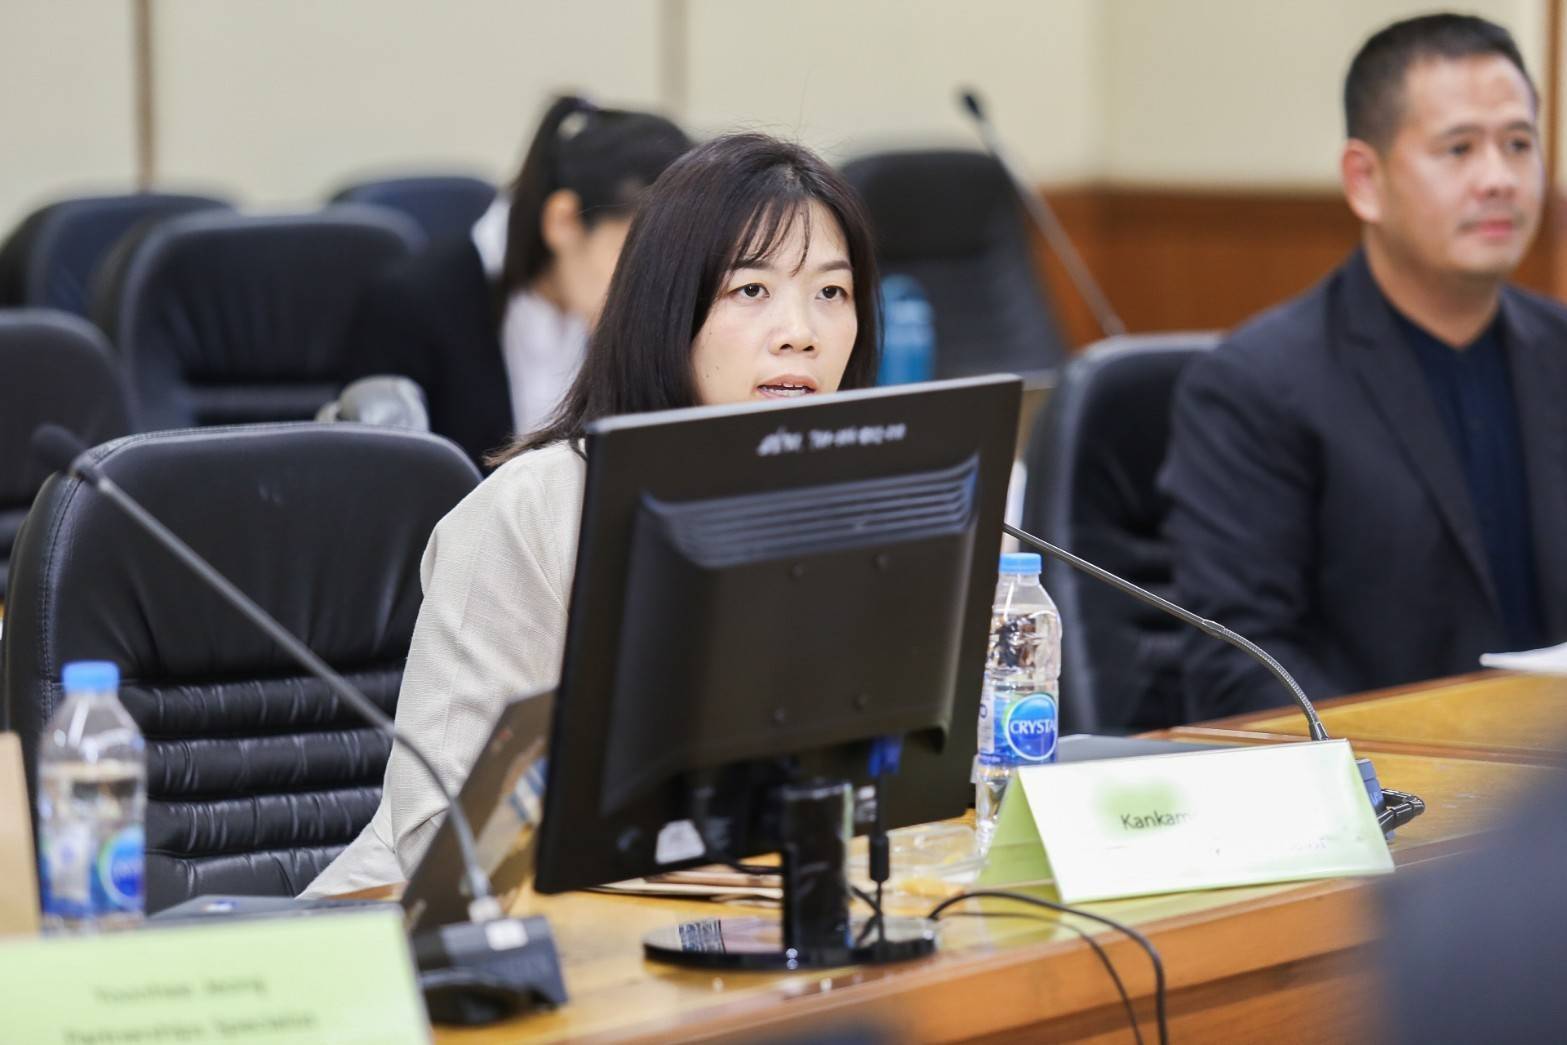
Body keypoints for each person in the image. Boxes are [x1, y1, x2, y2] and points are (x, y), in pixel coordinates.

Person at [302, 132, 882, 896]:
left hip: (732, 909)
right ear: (667, 308)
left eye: (831, 293)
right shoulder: (529, 510)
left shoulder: (858, 506)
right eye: (751, 290)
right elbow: (443, 836)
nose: (800, 332)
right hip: (430, 938)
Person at [1159, 13, 1567, 721]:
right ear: (1365, 180)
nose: (1498, 179)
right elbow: (1240, 665)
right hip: (1381, 776)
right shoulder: (1255, 385)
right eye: (1459, 148)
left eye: (1518, 144)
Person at [339, 96, 691, 468]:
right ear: (563, 221)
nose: (653, 287)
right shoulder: (408, 305)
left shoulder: (598, 300)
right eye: (636, 259)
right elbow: (386, 483)